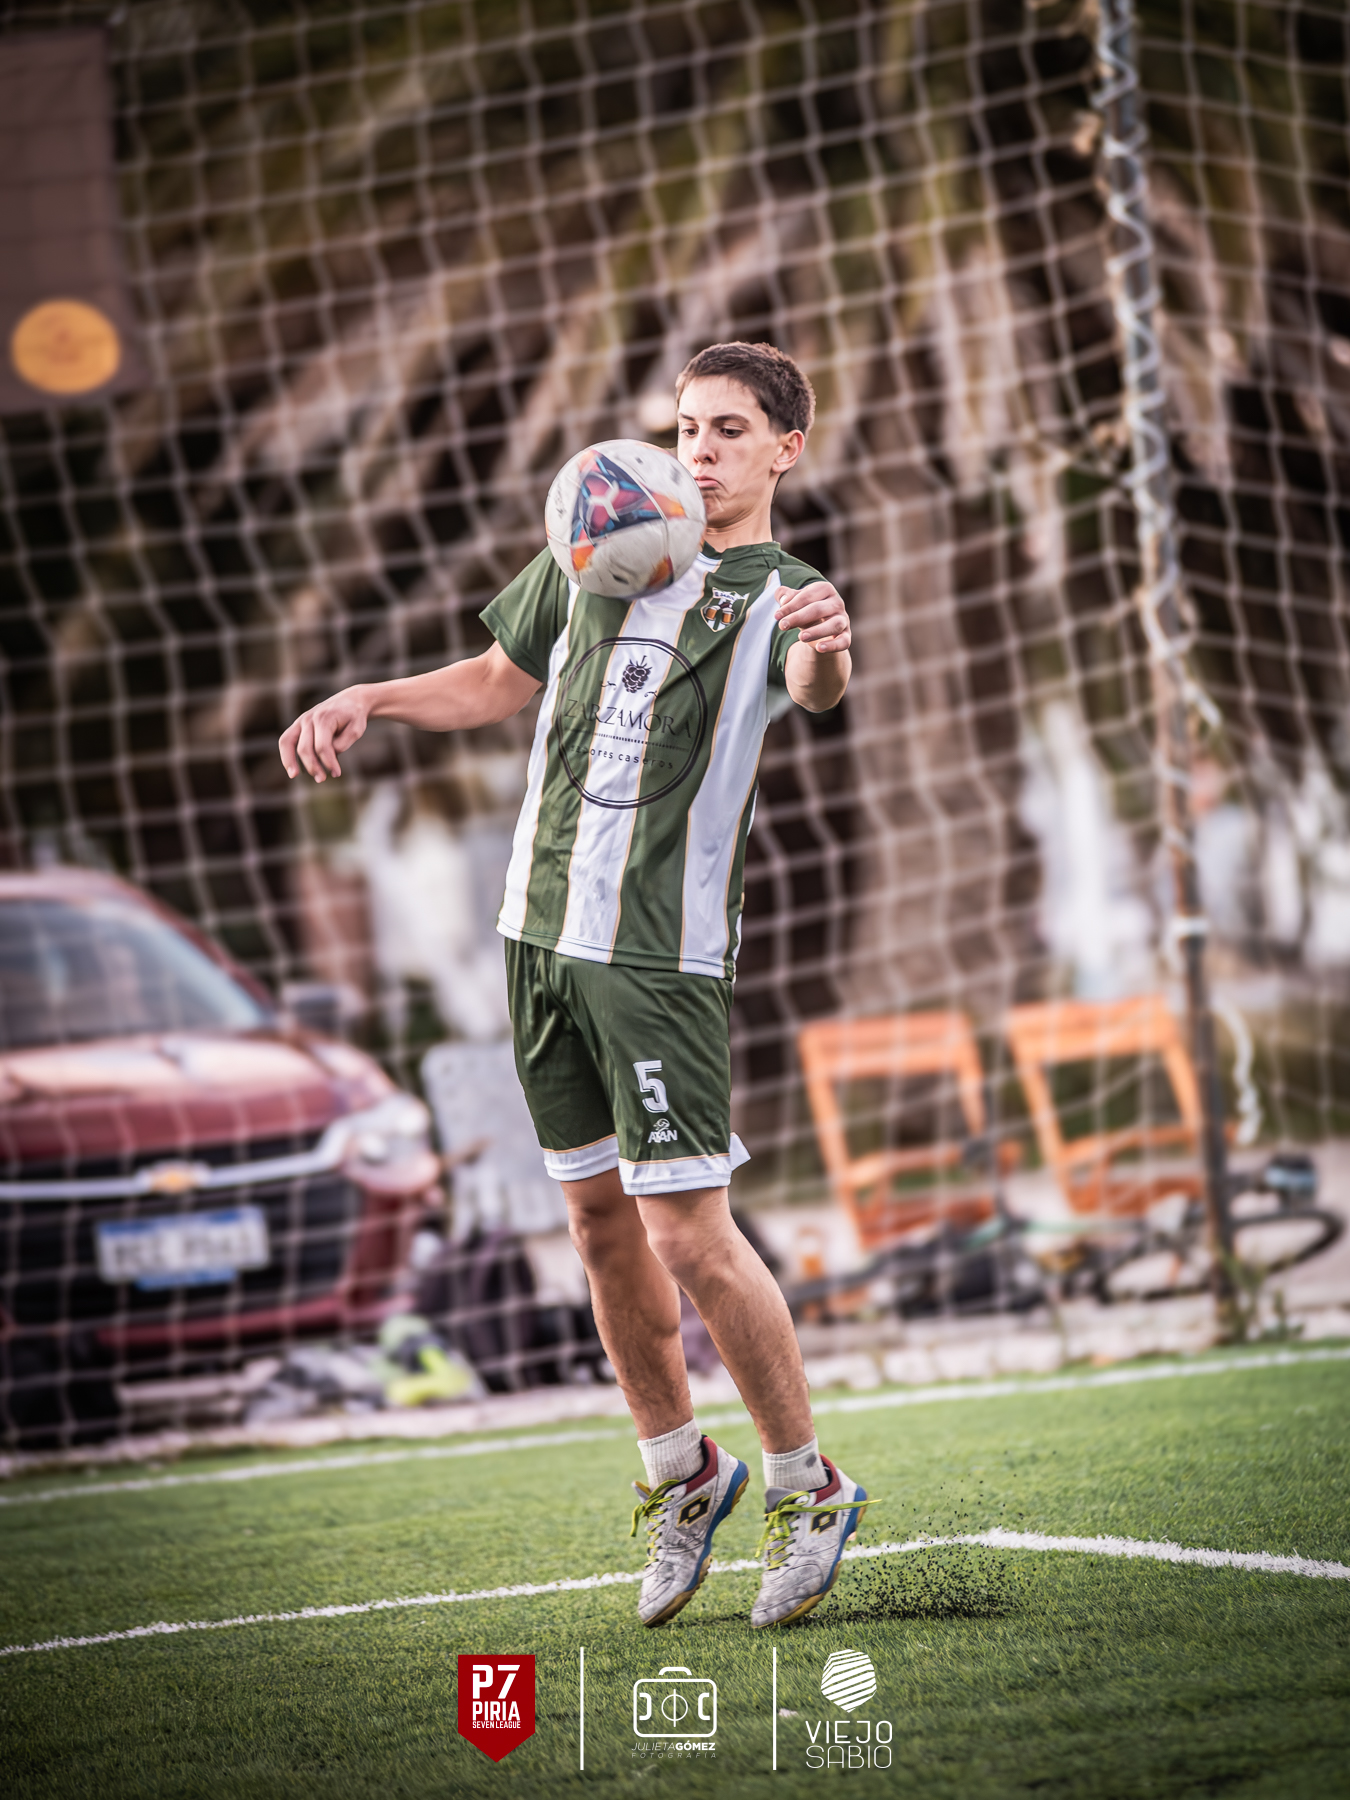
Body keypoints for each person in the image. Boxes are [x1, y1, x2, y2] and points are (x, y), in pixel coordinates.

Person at [279, 339, 870, 1628]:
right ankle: (680, 1473)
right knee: (599, 1226)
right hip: (536, 938)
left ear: (787, 449)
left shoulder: (783, 594)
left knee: (688, 1232)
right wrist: (374, 696)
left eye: (727, 430)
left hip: (658, 958)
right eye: (686, 425)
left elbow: (817, 688)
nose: (699, 450)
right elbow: (497, 682)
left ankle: (807, 1484)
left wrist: (827, 645)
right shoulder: (598, 537)